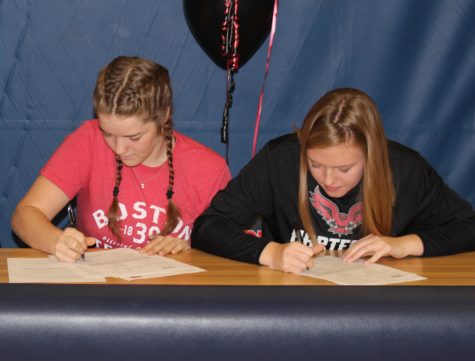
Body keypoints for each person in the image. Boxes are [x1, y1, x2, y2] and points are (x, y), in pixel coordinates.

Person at [192, 88, 475, 273]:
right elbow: (208, 227)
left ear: (371, 156)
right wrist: (270, 252)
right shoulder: (281, 159)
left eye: (345, 168)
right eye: (315, 164)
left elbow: (469, 227)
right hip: (294, 301)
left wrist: (404, 245)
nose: (329, 180)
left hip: (379, 304)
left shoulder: (405, 169)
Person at [11, 56, 231, 263]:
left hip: (172, 297)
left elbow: (235, 249)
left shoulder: (209, 169)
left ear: (164, 116)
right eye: (107, 133)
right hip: (99, 294)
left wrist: (191, 250)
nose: (119, 148)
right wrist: (55, 241)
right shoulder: (88, 140)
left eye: (134, 137)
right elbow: (25, 215)